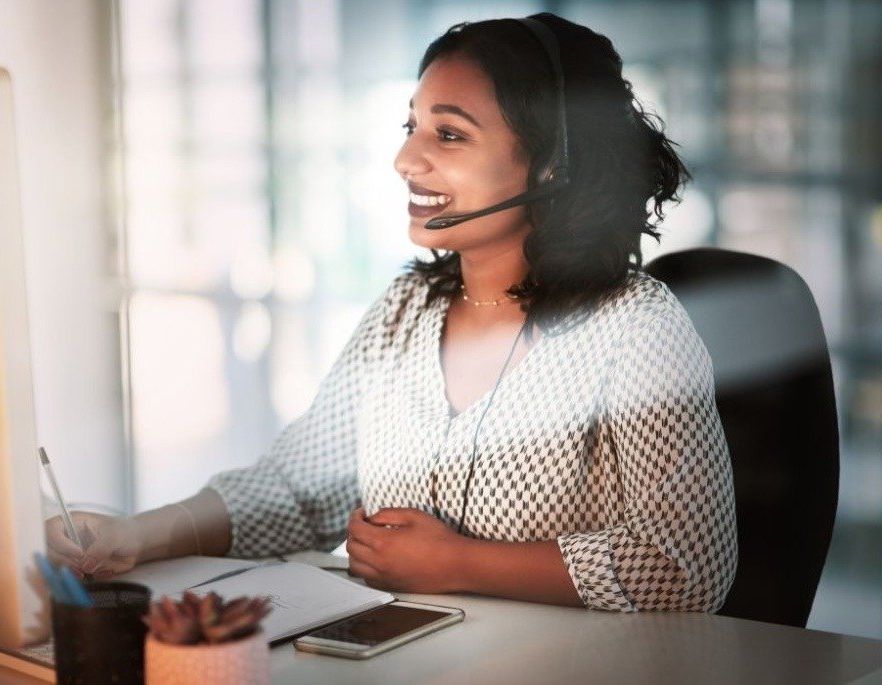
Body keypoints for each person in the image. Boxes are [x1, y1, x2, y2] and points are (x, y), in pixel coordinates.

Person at [48, 13, 737, 612]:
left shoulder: (637, 328)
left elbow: (686, 563)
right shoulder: (406, 310)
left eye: (450, 135)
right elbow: (297, 488)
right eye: (412, 126)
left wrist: (459, 564)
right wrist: (135, 536)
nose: (407, 159)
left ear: (553, 164)